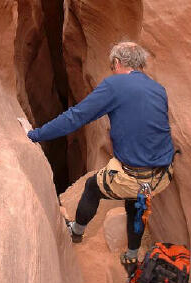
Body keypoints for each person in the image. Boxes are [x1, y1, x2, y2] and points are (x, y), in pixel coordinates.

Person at [27, 41, 175, 277]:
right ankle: (132, 254)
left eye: (112, 66)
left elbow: (76, 117)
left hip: (135, 176)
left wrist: (35, 135)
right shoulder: (158, 89)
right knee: (137, 198)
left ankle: (76, 231)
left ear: (117, 63)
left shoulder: (115, 84)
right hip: (162, 175)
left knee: (92, 186)